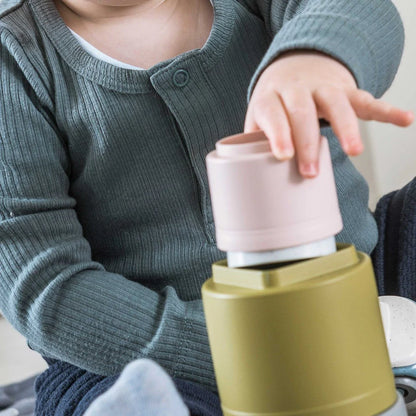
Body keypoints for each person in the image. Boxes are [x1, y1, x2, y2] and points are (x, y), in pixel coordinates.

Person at [0, 0, 413, 414]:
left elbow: (358, 7)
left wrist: (315, 56)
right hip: (155, 349)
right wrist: (240, 353)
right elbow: (43, 283)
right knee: (103, 396)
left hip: (357, 281)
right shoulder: (14, 53)